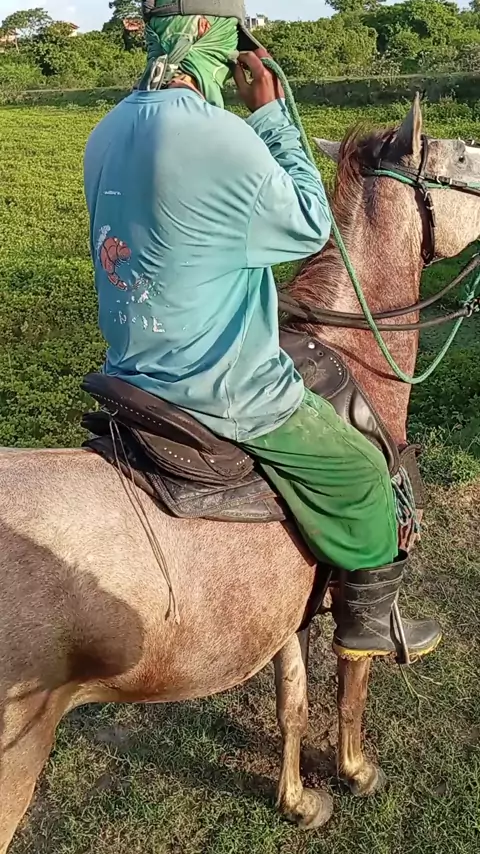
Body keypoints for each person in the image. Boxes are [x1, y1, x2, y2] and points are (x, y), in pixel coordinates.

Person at [83, 0, 441, 661]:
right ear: (203, 32)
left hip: (132, 368)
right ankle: (367, 622)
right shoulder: (218, 134)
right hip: (218, 386)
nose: (231, 58)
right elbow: (310, 226)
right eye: (228, 42)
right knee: (364, 472)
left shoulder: (106, 129)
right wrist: (271, 116)